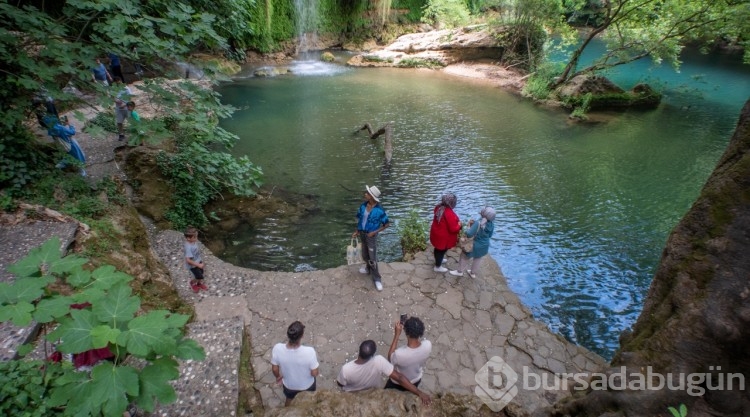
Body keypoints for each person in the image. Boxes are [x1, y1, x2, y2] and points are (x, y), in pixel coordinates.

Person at [336, 340, 431, 406]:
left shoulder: (346, 369)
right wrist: (419, 392)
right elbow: (399, 378)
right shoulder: (379, 361)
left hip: (352, 395)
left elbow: (340, 383)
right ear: (373, 354)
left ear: (359, 351)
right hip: (373, 392)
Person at [271, 321, 320, 406]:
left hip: (289, 385)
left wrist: (278, 377)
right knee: (309, 401)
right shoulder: (309, 351)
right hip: (307, 386)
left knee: (289, 399)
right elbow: (314, 373)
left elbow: (275, 369)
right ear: (302, 336)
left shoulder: (277, 348)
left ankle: (286, 413)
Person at [352, 185, 389, 291]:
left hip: (371, 236)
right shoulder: (363, 206)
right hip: (363, 234)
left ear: (372, 196)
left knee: (372, 258)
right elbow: (360, 219)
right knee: (364, 254)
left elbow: (386, 224)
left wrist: (374, 232)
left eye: (367, 193)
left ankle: (377, 279)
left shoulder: (380, 210)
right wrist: (357, 231)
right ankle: (368, 268)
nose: (365, 194)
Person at [385, 316, 431, 391]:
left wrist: (396, 335)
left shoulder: (400, 354)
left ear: (407, 333)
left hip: (398, 383)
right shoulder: (428, 345)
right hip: (416, 379)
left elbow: (390, 358)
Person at [450, 206, 496, 278]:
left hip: (474, 244)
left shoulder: (478, 223)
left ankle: (459, 271)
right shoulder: (492, 225)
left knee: (464, 256)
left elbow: (469, 234)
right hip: (484, 245)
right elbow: (490, 235)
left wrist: (469, 226)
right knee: (478, 259)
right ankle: (472, 273)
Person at [429, 193, 461, 273]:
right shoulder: (448, 212)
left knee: (437, 249)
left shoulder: (438, 207)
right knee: (441, 250)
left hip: (436, 233)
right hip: (443, 237)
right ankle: (437, 266)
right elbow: (453, 229)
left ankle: (438, 260)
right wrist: (459, 226)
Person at [184, 226, 207, 292]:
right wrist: (198, 265)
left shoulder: (193, 242)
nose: (196, 238)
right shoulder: (188, 247)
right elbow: (188, 260)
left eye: (196, 236)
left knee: (201, 273)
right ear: (188, 238)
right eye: (195, 237)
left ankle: (199, 283)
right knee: (198, 276)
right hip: (193, 265)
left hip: (198, 261)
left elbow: (196, 253)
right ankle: (192, 283)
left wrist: (200, 261)